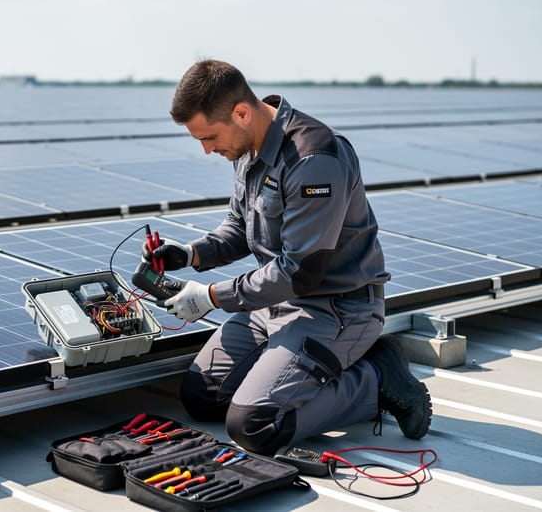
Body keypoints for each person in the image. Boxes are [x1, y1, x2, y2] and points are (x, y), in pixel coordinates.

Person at [143, 59, 432, 454]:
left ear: (241, 113)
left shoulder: (315, 160)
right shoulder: (246, 148)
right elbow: (239, 226)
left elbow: (300, 273)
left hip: (336, 310)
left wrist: (210, 297)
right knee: (202, 396)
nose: (207, 150)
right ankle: (301, 367)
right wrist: (191, 253)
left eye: (208, 137)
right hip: (275, 305)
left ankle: (376, 376)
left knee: (255, 426)